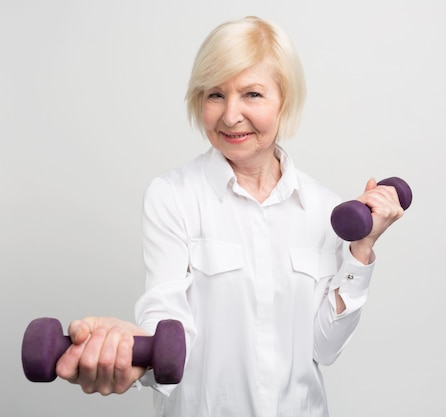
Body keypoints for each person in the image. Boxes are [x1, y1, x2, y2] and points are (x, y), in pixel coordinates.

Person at [55, 15, 404, 417]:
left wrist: (360, 251)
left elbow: (324, 348)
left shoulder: (324, 209)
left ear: (284, 101)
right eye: (215, 94)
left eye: (252, 95)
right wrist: (135, 355)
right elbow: (166, 323)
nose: (230, 115)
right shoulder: (172, 197)